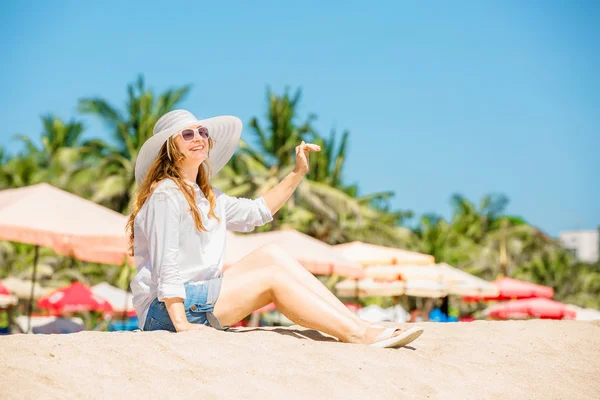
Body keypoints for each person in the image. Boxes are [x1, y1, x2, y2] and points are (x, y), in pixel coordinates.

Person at [127, 109, 423, 348]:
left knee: (272, 254)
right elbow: (166, 261)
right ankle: (358, 335)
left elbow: (258, 212)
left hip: (196, 300)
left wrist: (297, 173)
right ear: (170, 148)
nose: (199, 138)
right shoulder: (166, 193)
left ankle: (358, 324)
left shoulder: (207, 196)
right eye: (188, 134)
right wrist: (181, 326)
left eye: (202, 132)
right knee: (271, 277)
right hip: (165, 313)